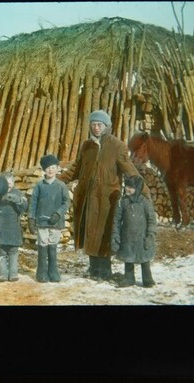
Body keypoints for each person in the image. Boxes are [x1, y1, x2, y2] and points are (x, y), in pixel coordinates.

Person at [59, 109, 149, 281]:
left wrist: (144, 192)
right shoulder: (87, 146)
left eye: (100, 125)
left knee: (105, 233)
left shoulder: (117, 146)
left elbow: (130, 170)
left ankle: (105, 270)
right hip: (88, 198)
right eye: (93, 125)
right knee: (90, 232)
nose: (96, 128)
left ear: (107, 126)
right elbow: (75, 169)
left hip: (108, 199)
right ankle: (94, 269)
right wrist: (57, 181)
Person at [28, 154, 71, 283]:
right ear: (43, 170)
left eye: (53, 167)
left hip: (56, 222)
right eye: (48, 168)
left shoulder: (61, 185)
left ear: (57, 169)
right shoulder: (39, 186)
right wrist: (31, 218)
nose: (50, 170)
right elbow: (33, 203)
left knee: (52, 247)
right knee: (42, 246)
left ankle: (53, 271)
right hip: (42, 222)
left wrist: (58, 213)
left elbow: (66, 202)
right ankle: (41, 273)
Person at [111, 174, 157, 287]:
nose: (127, 189)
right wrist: (115, 235)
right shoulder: (122, 202)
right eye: (126, 186)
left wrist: (150, 235)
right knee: (129, 258)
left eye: (131, 187)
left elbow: (152, 220)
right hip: (127, 236)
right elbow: (116, 220)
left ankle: (147, 279)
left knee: (144, 259)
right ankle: (129, 278)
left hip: (142, 236)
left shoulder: (145, 202)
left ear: (137, 189)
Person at [0, 172, 28, 282]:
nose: (8, 185)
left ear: (13, 183)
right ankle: (2, 274)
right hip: (1, 230)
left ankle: (13, 274)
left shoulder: (18, 193)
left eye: (9, 183)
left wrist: (17, 200)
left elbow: (24, 207)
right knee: (2, 254)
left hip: (13, 230)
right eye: (5, 183)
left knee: (13, 253)